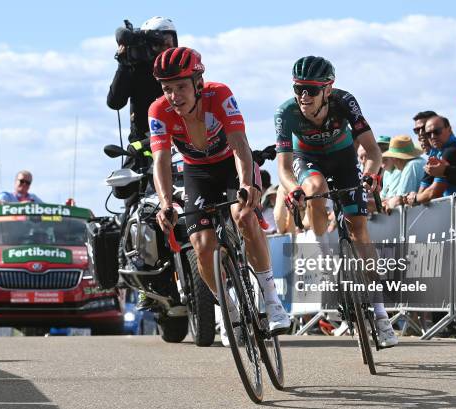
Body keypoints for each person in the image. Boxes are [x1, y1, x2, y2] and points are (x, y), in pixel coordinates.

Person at [148, 47, 291, 345]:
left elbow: (240, 144)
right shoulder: (158, 111)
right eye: (167, 89)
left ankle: (271, 299)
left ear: (198, 83)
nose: (174, 96)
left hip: (232, 163)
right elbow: (160, 160)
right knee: (201, 244)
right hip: (198, 172)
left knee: (243, 215)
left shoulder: (220, 95)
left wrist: (246, 185)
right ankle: (229, 309)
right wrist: (165, 203)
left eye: (181, 87)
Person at [275, 55, 398, 348]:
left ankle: (381, 316)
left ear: (328, 90)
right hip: (309, 160)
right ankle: (324, 253)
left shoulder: (346, 102)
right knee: (315, 187)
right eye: (298, 88)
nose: (304, 96)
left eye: (312, 90)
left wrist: (370, 175)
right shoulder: (286, 112)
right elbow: (283, 167)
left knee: (359, 229)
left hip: (343, 158)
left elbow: (371, 150)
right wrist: (294, 189)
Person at [107, 17, 177, 144]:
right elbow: (115, 103)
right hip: (143, 145)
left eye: (169, 42)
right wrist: (124, 66)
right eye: (158, 44)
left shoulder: (181, 68)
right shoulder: (136, 69)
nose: (166, 48)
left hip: (177, 141)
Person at [406, 116, 456, 206]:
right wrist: (415, 198)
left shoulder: (451, 150)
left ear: (449, 130)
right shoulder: (437, 152)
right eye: (428, 134)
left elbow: (434, 192)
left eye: (437, 132)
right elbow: (425, 184)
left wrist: (415, 198)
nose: (432, 136)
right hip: (455, 208)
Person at [379, 136, 426, 210]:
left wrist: (387, 203)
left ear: (396, 158)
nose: (392, 160)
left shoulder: (411, 166)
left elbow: (399, 200)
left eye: (392, 157)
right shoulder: (421, 161)